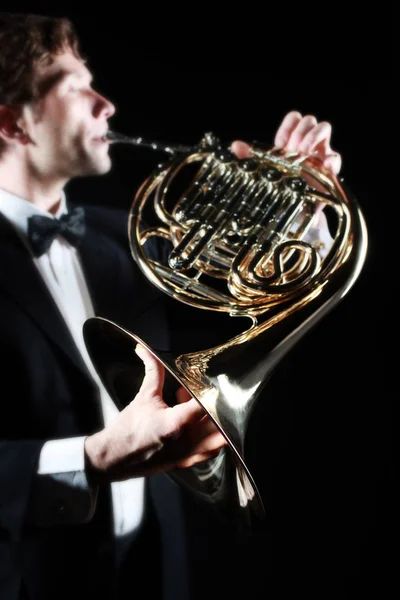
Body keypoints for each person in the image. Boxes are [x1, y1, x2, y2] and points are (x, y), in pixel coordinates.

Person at [0, 12, 342, 600]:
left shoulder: (125, 242)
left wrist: (306, 206)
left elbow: (262, 296)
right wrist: (92, 458)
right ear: (12, 121)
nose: (105, 104)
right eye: (75, 86)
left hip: (152, 573)